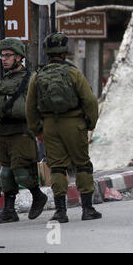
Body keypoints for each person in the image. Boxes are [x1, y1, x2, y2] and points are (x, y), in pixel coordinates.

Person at [26, 32, 101, 223]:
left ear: (47, 52)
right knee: (83, 164)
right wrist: (90, 123)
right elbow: (90, 100)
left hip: (50, 126)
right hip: (74, 124)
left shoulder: (38, 76)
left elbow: (30, 106)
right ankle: (87, 209)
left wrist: (37, 130)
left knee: (57, 168)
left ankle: (61, 211)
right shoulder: (74, 72)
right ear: (64, 51)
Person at [0, 38, 47, 224]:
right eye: (2, 56)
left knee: (21, 172)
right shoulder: (4, 81)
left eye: (8, 55)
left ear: (19, 57)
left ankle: (38, 196)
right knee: (5, 175)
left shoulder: (30, 79)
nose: (3, 59)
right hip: (3, 132)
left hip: (22, 132)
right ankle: (9, 211)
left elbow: (36, 105)